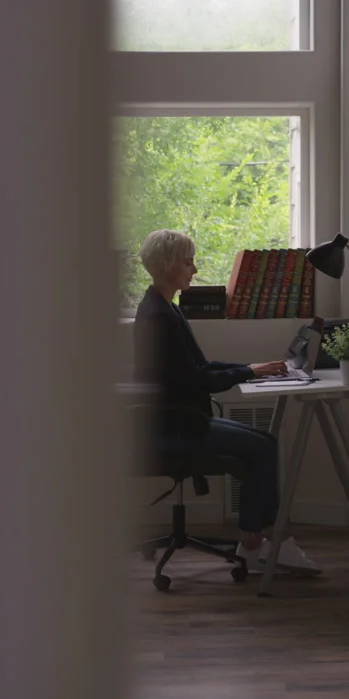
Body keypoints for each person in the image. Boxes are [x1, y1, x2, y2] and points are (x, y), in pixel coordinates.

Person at [133, 229, 320, 574]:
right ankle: (259, 540)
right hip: (178, 427)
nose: (194, 269)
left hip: (183, 419)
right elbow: (199, 380)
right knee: (263, 448)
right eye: (188, 262)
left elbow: (199, 367)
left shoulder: (164, 307)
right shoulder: (159, 317)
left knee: (264, 443)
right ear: (168, 264)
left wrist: (252, 368)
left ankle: (262, 541)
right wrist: (248, 372)